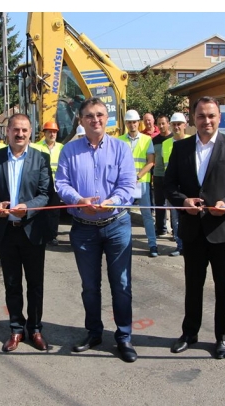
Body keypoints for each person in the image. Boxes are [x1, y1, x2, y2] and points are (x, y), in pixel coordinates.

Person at [164, 96, 225, 359]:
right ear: (193, 118)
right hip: (192, 230)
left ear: (219, 118)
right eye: (201, 116)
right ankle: (189, 333)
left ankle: (222, 337)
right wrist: (184, 202)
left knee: (224, 287)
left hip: (223, 230)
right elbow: (169, 185)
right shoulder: (181, 148)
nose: (207, 121)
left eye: (211, 115)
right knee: (193, 285)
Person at [55, 97, 138, 363]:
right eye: (89, 116)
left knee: (121, 285)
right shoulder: (69, 151)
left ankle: (124, 337)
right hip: (83, 228)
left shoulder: (121, 148)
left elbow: (128, 185)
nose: (95, 120)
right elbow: (62, 184)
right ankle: (93, 333)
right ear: (81, 120)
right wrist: (79, 200)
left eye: (100, 114)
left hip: (116, 225)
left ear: (107, 118)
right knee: (90, 286)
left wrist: (112, 201)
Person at [0, 113, 52, 353]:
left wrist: (28, 208)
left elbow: (46, 194)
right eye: (15, 130)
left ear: (30, 132)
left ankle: (36, 329)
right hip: (6, 233)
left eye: (24, 130)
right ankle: (16, 329)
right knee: (12, 284)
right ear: (7, 132)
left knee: (35, 284)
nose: (20, 134)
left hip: (32, 231)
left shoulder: (41, 158)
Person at [118, 109, 158, 257]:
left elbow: (151, 162)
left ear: (138, 123)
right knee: (124, 215)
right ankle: (125, 244)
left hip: (142, 183)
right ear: (126, 123)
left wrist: (138, 176)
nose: (132, 124)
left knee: (147, 215)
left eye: (134, 122)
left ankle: (153, 245)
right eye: (129, 122)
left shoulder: (146, 140)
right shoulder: (119, 140)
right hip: (125, 184)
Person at [31, 121, 64, 246]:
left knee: (54, 213)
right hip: (41, 186)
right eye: (50, 131)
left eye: (54, 132)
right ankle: (39, 235)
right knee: (40, 211)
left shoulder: (62, 148)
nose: (52, 134)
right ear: (44, 133)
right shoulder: (36, 147)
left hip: (56, 186)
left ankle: (52, 236)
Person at [162, 112, 190, 257]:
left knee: (189, 217)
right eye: (174, 124)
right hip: (173, 188)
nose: (176, 127)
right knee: (175, 218)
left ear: (185, 125)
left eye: (179, 124)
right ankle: (180, 246)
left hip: (188, 186)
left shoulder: (192, 141)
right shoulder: (165, 144)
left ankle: (190, 245)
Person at [150, 114, 173, 237]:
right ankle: (161, 229)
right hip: (158, 175)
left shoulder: (174, 138)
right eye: (159, 124)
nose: (161, 126)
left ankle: (175, 231)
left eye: (163, 123)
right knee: (159, 204)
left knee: (173, 205)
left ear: (168, 124)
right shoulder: (154, 140)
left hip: (172, 176)